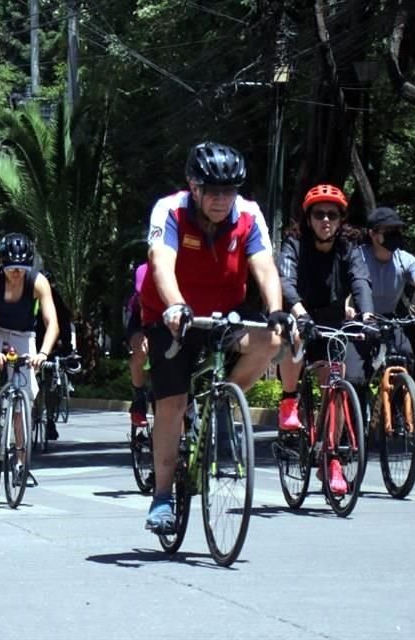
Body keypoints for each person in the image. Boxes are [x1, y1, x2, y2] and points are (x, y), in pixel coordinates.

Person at [140, 141, 292, 534]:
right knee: (171, 405)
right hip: (171, 318)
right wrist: (175, 306)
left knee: (271, 342)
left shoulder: (248, 214)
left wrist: (276, 309)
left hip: (225, 316)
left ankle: (223, 399)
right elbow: (161, 262)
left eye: (230, 191)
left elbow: (263, 265)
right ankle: (160, 497)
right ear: (194, 186)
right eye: (214, 191)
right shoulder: (169, 209)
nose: (223, 200)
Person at [276, 183, 374, 496]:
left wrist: (367, 315)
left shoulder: (349, 247)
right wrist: (299, 312)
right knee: (293, 338)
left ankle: (331, 459)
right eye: (319, 214)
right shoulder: (294, 243)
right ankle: (289, 400)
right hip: (299, 310)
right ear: (308, 218)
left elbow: (360, 280)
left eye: (333, 214)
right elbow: (285, 281)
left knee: (337, 385)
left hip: (331, 318)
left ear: (341, 219)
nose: (326, 220)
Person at [0, 232, 60, 454]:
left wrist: (43, 354)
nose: (17, 273)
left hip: (23, 333)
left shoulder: (38, 282)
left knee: (24, 397)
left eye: (22, 269)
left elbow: (52, 323)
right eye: (11, 268)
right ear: (2, 264)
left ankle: (20, 459)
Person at [352, 206, 415, 361]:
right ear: (372, 234)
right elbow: (348, 287)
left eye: (397, 231)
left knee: (405, 356)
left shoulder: (406, 260)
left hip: (389, 319)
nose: (395, 236)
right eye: (388, 231)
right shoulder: (358, 257)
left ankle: (403, 383)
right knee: (356, 377)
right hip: (359, 320)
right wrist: (347, 308)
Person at [34, 280, 77, 441]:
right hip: (32, 347)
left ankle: (50, 418)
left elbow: (64, 325)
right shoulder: (30, 299)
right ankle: (29, 410)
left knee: (53, 384)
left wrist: (68, 351)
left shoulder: (57, 302)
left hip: (51, 350)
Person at [125, 262, 150, 428]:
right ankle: (139, 397)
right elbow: (143, 300)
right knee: (142, 348)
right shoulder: (144, 270)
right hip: (141, 317)